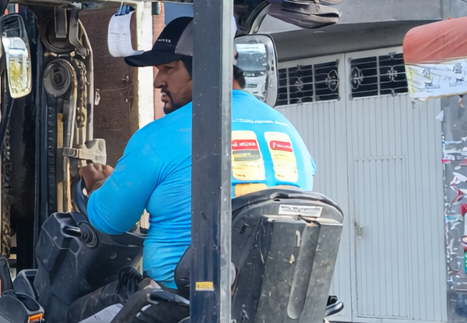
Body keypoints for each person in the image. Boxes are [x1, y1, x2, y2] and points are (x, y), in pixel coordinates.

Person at [79, 16, 316, 285]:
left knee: (78, 320)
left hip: (182, 304)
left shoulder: (158, 138)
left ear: (205, 67)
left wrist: (99, 183)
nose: (158, 81)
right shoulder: (287, 130)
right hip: (268, 298)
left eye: (168, 68)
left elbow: (108, 221)